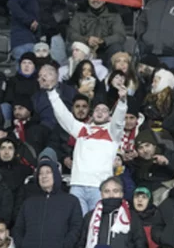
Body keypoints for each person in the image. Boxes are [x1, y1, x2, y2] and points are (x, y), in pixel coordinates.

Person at [45, 68, 127, 214]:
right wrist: (52, 92)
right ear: (92, 113)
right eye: (97, 110)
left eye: (104, 110)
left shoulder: (113, 132)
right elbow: (63, 115)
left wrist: (122, 102)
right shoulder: (82, 130)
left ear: (109, 117)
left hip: (100, 186)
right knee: (77, 225)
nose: (100, 111)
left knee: (95, 227)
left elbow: (119, 120)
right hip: (77, 185)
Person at [12, 158, 82, 248]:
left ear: (56, 174)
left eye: (48, 172)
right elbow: (18, 228)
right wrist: (23, 246)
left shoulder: (71, 201)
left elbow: (76, 227)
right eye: (40, 173)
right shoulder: (29, 202)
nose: (44, 176)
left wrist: (65, 247)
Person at [76, 177, 146, 248]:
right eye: (107, 191)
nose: (111, 195)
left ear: (122, 194)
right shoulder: (90, 216)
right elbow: (80, 243)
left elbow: (140, 244)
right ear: (101, 194)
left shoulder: (132, 216)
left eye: (115, 191)